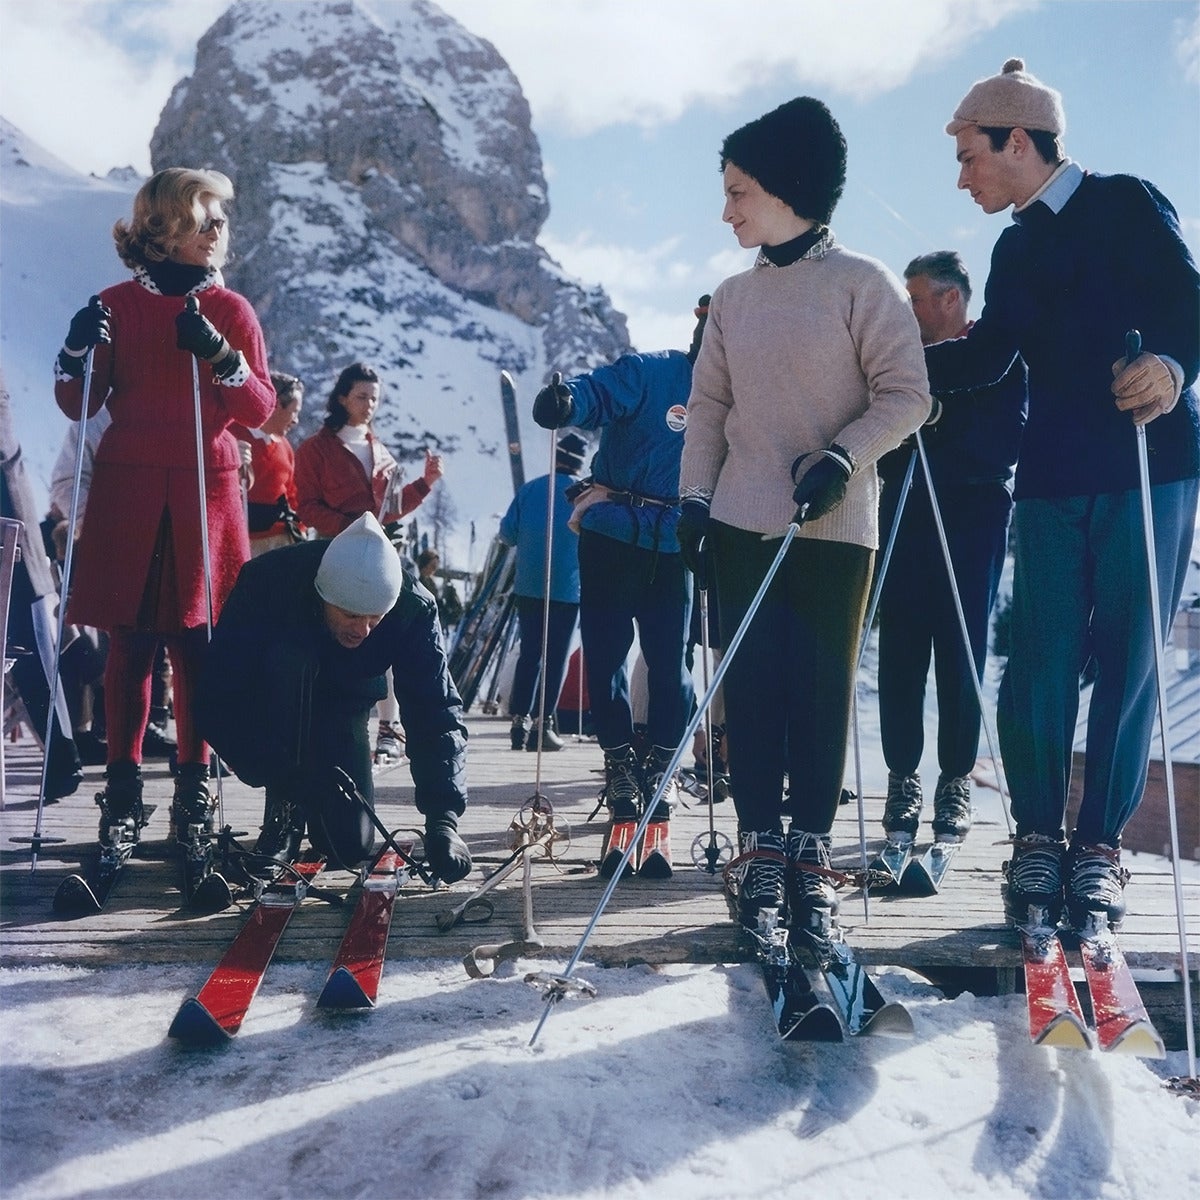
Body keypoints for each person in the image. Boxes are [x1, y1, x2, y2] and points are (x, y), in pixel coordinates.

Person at [923, 59, 1199, 932]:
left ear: (1017, 139)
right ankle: (1038, 839)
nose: (961, 176)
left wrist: (1172, 364)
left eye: (970, 155)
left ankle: (1099, 853)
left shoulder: (1126, 202)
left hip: (1146, 463)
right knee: (1037, 661)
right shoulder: (1015, 245)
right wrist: (893, 366)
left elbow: (1191, 304)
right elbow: (994, 352)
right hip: (1047, 476)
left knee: (1126, 660)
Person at [677, 97, 931, 932]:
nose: (726, 208)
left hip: (834, 523)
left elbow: (908, 396)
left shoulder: (863, 284)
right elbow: (709, 410)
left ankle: (811, 852)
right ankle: (758, 850)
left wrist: (842, 457)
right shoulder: (733, 298)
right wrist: (693, 501)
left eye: (739, 189)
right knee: (751, 688)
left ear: (786, 187)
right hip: (741, 519)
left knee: (820, 689)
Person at [52, 167, 275, 850]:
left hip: (206, 489)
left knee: (199, 645)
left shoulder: (232, 311)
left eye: (220, 220)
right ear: (162, 226)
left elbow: (261, 411)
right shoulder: (114, 304)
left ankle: (194, 786)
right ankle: (121, 790)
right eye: (202, 217)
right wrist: (74, 349)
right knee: (131, 644)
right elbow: (81, 404)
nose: (216, 230)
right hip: (131, 487)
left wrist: (222, 355)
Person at [195, 512, 472, 882]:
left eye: (375, 619)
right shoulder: (267, 583)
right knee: (288, 662)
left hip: (346, 704)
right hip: (278, 708)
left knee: (349, 846)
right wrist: (279, 774)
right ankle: (285, 810)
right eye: (350, 615)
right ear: (322, 594)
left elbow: (436, 710)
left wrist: (443, 820)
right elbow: (218, 694)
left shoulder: (413, 609)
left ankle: (324, 793)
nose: (363, 630)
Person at [532, 300, 709, 871]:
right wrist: (567, 401)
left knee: (669, 663)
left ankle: (659, 766)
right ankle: (620, 766)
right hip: (612, 534)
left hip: (676, 543)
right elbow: (599, 392)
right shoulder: (655, 371)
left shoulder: (744, 395)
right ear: (703, 328)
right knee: (606, 658)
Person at [875, 251, 1027, 848]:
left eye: (914, 299)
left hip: (973, 516)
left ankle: (955, 779)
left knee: (962, 648)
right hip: (907, 509)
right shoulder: (898, 360)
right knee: (903, 647)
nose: (905, 311)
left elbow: (1004, 441)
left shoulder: (1000, 352)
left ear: (949, 299)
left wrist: (935, 423)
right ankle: (901, 776)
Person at [294, 362, 445, 765]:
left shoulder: (381, 452)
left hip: (379, 555)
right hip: (329, 552)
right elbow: (305, 505)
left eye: (374, 398)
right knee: (331, 640)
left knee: (384, 637)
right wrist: (352, 528)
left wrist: (425, 484)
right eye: (362, 396)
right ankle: (324, 724)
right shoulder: (315, 449)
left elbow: (391, 509)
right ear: (342, 397)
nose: (369, 405)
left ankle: (387, 727)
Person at [497, 432, 586, 753]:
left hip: (529, 585)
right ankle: (542, 726)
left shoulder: (531, 489)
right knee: (556, 657)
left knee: (530, 653)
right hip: (568, 588)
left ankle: (518, 723)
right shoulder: (585, 495)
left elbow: (506, 535)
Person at [235, 371, 305, 556]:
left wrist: (300, 531)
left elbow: (292, 495)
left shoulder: (285, 447)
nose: (296, 420)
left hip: (279, 542)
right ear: (274, 406)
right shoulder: (233, 435)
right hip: (241, 540)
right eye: (294, 412)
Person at [415, 548, 463, 633]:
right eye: (433, 566)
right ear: (425, 565)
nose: (434, 570)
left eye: (436, 567)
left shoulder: (430, 581)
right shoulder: (419, 582)